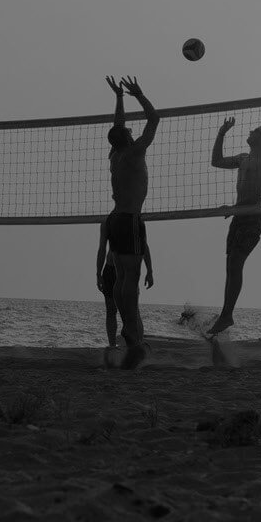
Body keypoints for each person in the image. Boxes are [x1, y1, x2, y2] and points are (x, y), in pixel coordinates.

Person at [103, 75, 160, 369]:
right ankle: (131, 334)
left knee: (122, 278)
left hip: (116, 219)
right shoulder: (135, 151)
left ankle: (129, 332)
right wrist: (139, 93)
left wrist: (120, 98)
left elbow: (117, 127)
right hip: (129, 219)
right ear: (127, 138)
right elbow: (155, 119)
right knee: (130, 280)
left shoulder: (115, 155)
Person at [204, 118, 261, 336]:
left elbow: (254, 193)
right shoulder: (243, 158)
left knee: (236, 264)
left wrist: (235, 208)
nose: (251, 131)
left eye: (256, 130)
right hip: (239, 216)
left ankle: (227, 315)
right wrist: (221, 133)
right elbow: (216, 161)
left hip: (252, 217)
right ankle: (225, 314)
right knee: (230, 266)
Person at [96, 217, 153, 353]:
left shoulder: (136, 221)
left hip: (128, 271)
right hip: (110, 270)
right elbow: (102, 249)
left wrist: (150, 271)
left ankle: (138, 345)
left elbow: (144, 246)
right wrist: (98, 273)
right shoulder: (108, 222)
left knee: (133, 312)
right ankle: (112, 347)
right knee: (111, 311)